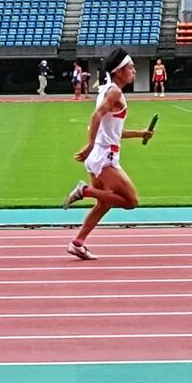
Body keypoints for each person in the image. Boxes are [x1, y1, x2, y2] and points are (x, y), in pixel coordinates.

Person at [62, 48, 153, 260]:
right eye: (131, 67)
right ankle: (84, 191)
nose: (134, 71)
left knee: (104, 204)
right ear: (119, 71)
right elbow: (97, 115)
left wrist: (140, 133)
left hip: (99, 155)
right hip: (104, 157)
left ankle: (78, 243)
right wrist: (90, 145)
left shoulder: (106, 89)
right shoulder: (114, 92)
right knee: (131, 201)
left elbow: (112, 129)